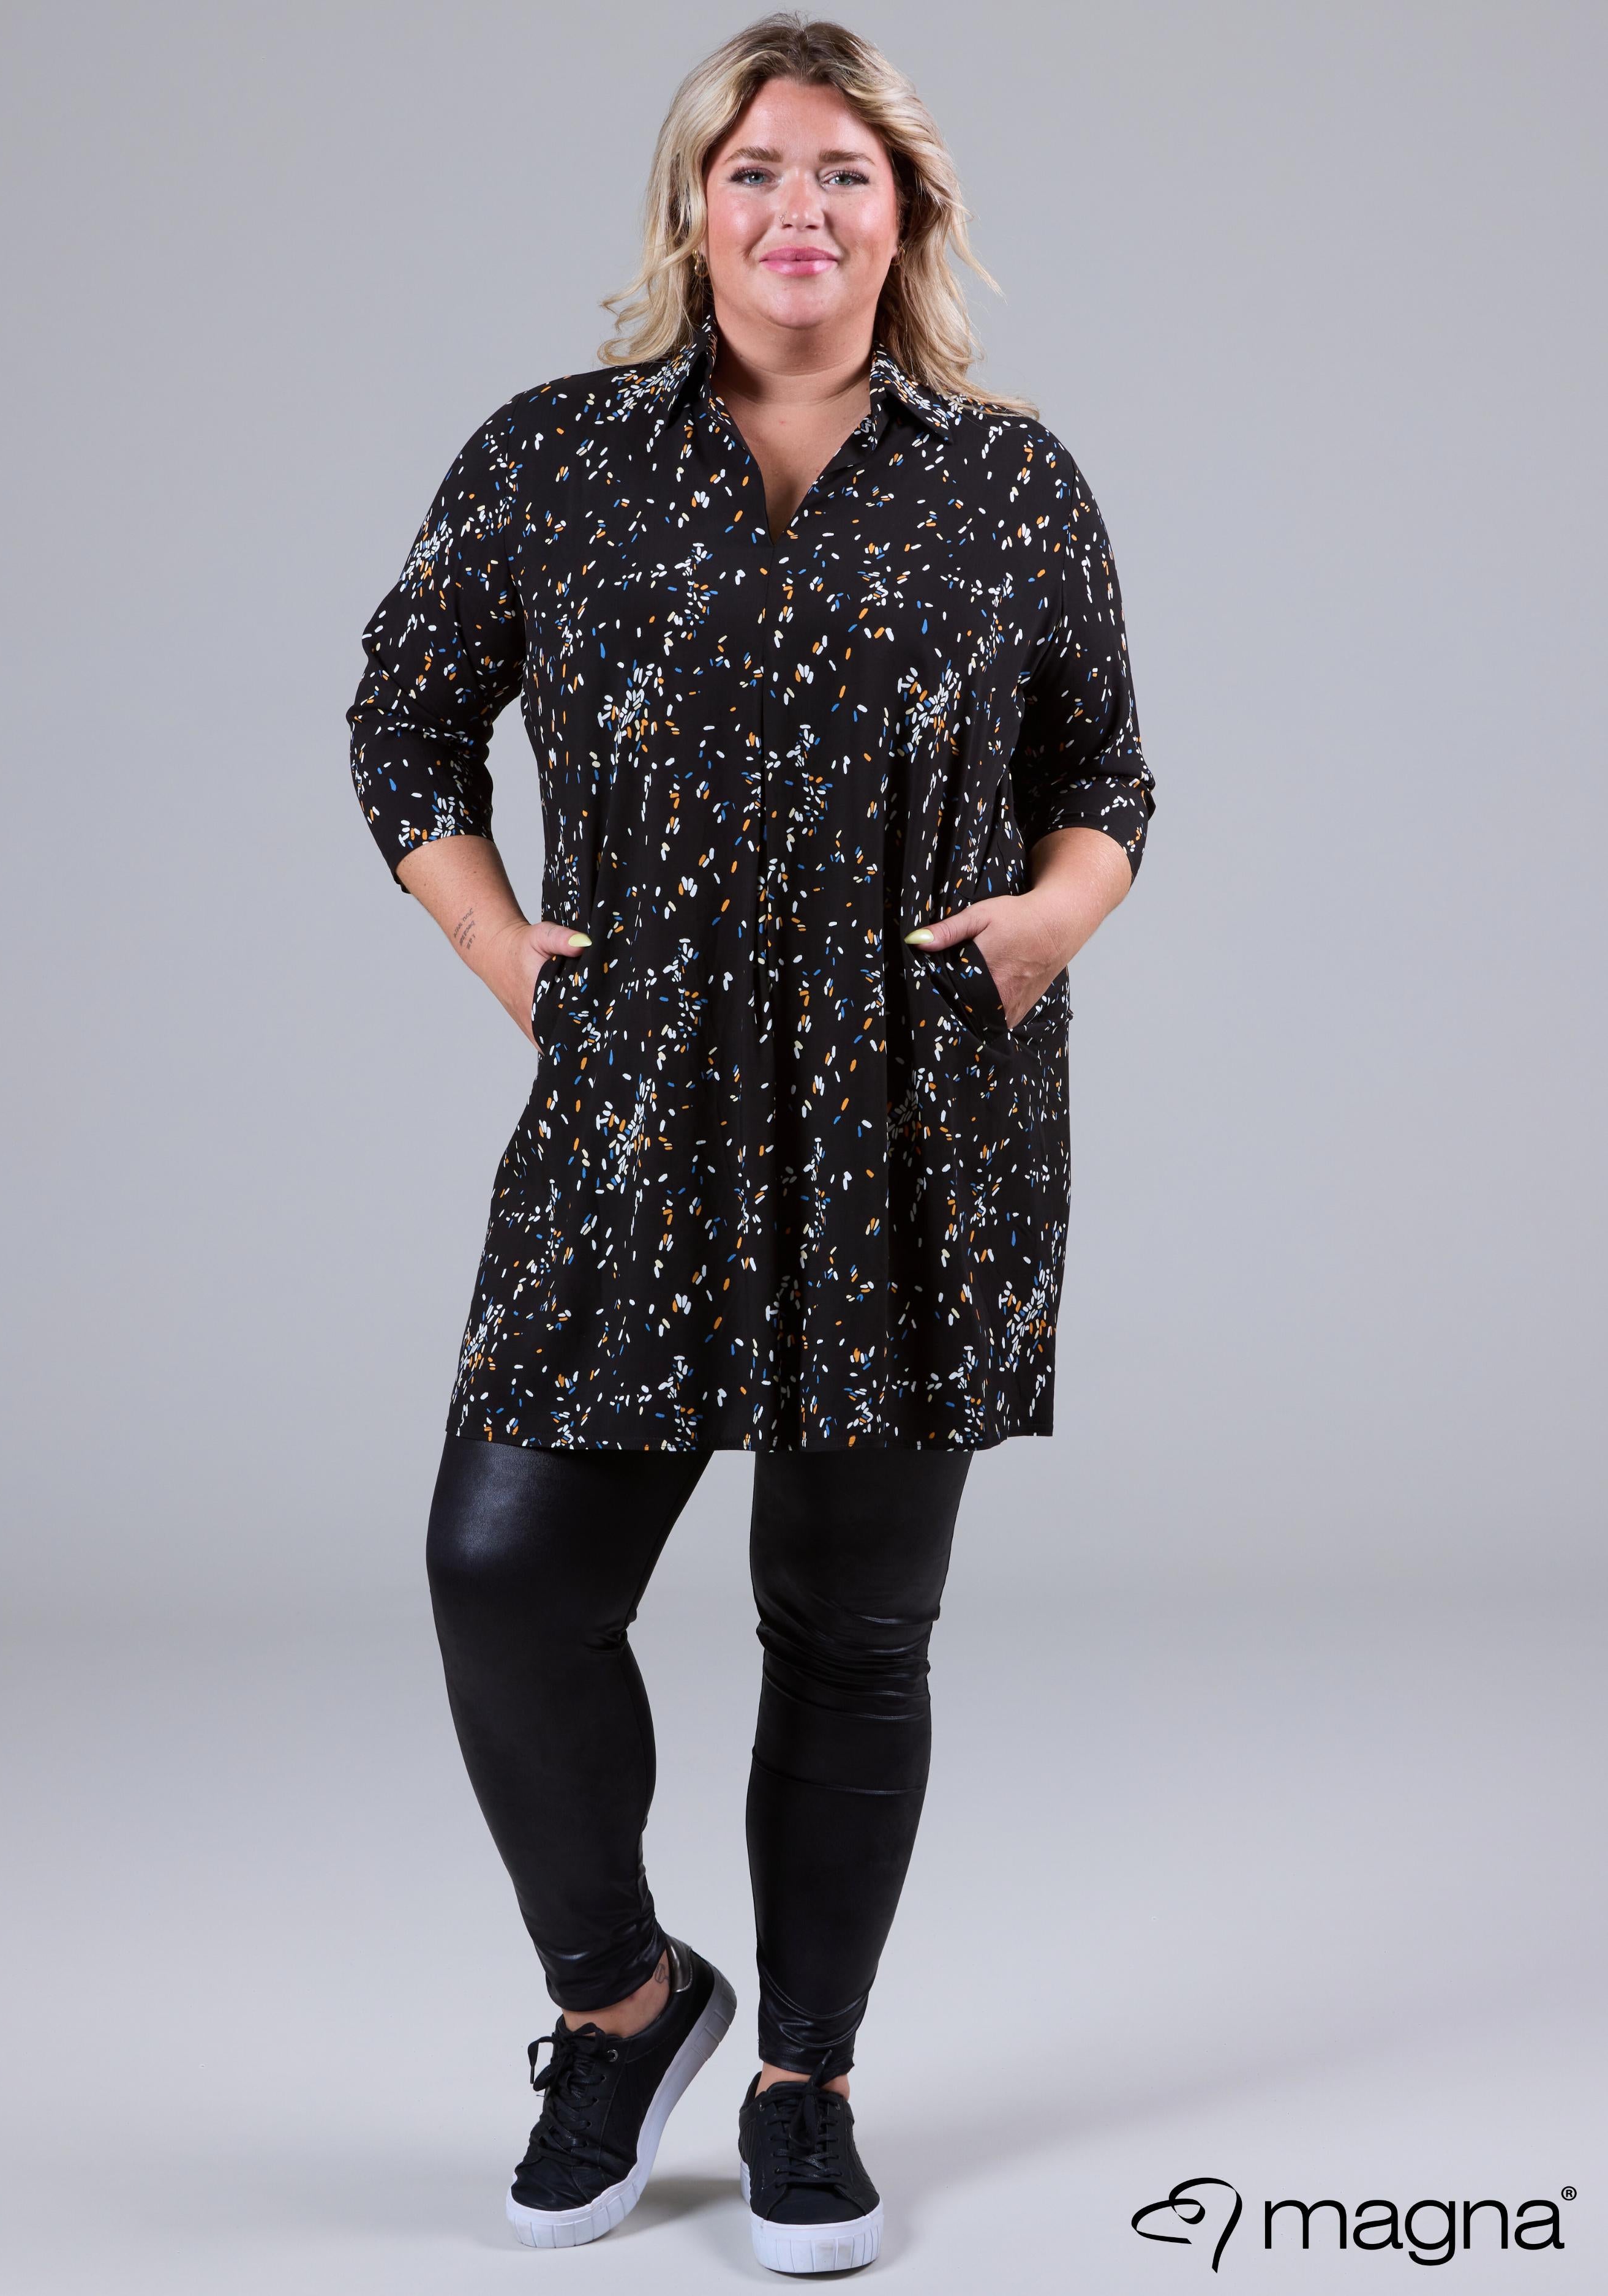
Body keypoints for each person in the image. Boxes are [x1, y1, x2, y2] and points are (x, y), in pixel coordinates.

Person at [346, 12, 1154, 2275]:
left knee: (852, 1625)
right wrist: (502, 948)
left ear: (908, 219)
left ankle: (808, 2080)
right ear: (695, 210)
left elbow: (1109, 778)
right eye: (758, 172)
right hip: (642, 1108)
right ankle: (624, 2003)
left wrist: (1052, 921)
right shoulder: (554, 456)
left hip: (920, 1115)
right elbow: (406, 717)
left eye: (845, 176)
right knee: (506, 1571)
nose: (802, 210)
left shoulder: (1012, 483)